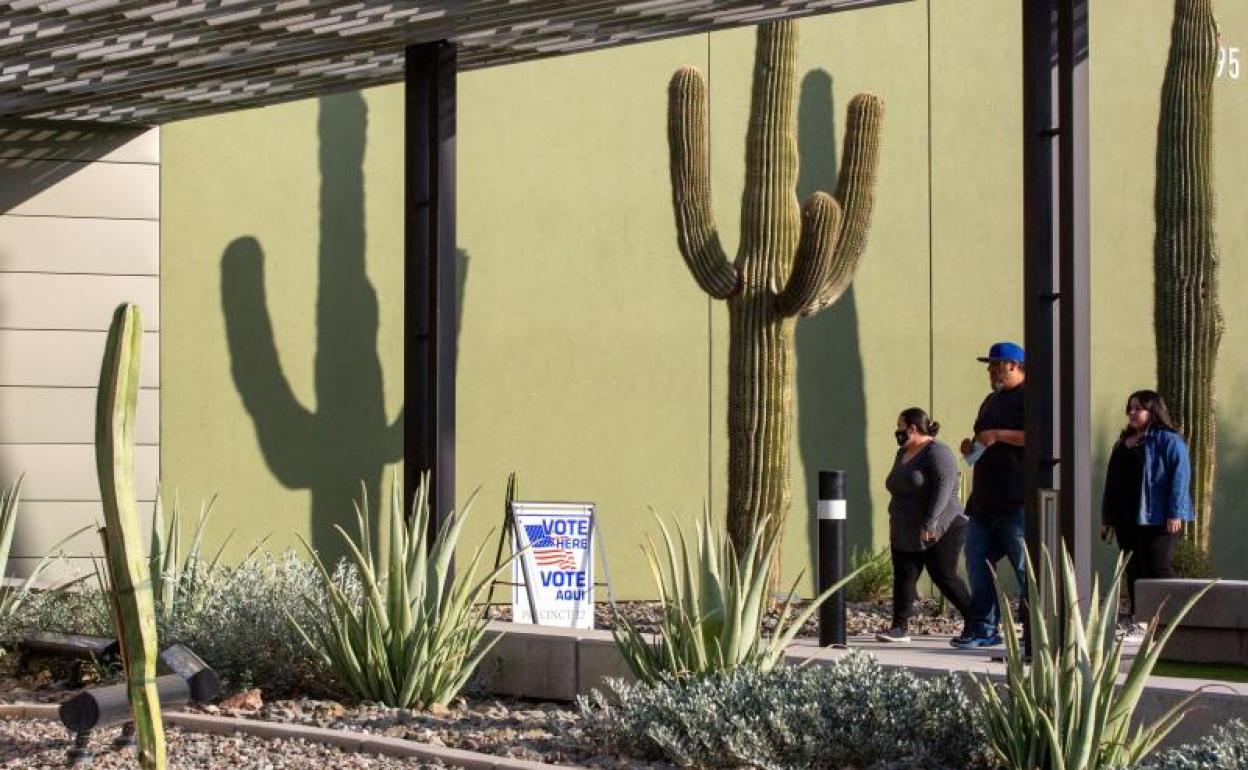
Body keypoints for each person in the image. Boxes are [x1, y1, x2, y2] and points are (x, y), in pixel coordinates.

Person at [876, 407, 973, 643]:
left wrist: (930, 522)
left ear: (912, 428)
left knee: (943, 575)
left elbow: (944, 488)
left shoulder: (938, 453)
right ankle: (899, 628)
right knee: (904, 576)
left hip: (942, 526)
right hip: (904, 527)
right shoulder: (903, 453)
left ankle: (977, 622)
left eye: (900, 428)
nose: (897, 432)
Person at [1100, 390, 1192, 637]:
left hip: (1157, 516)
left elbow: (1179, 479)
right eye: (1130, 408)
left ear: (1153, 411)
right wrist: (1106, 518)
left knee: (1158, 566)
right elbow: (1112, 482)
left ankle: (1173, 617)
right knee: (1133, 568)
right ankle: (1139, 620)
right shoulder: (1123, 443)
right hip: (1125, 518)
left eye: (1138, 408)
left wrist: (1175, 513)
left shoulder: (1169, 441)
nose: (1131, 413)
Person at [955, 341, 1027, 649]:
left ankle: (1038, 629)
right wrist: (971, 448)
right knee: (977, 563)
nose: (991, 371)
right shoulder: (990, 400)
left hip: (1015, 500)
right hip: (983, 501)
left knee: (1025, 567)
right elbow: (984, 439)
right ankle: (984, 627)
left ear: (1012, 365)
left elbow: (1040, 436)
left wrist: (998, 435)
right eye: (989, 366)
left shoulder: (1031, 398)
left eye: (996, 365)